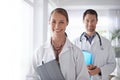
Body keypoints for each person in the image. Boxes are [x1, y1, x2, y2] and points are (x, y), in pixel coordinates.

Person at [26, 8, 89, 80]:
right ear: (49, 22)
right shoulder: (39, 52)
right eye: (53, 22)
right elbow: (31, 77)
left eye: (61, 22)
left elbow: (83, 78)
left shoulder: (77, 53)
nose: (57, 26)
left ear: (67, 23)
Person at [73, 9, 116, 80]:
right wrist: (83, 68)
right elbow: (71, 64)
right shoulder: (75, 43)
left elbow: (112, 64)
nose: (90, 24)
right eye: (87, 20)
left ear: (97, 21)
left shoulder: (106, 43)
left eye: (93, 21)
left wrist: (99, 70)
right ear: (83, 21)